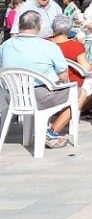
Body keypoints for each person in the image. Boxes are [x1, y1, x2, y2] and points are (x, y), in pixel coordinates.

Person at [0, 10, 72, 148]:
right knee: (80, 93)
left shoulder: (6, 45)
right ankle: (51, 132)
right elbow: (63, 76)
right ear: (39, 26)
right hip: (40, 96)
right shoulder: (49, 46)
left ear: (20, 25)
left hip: (13, 96)